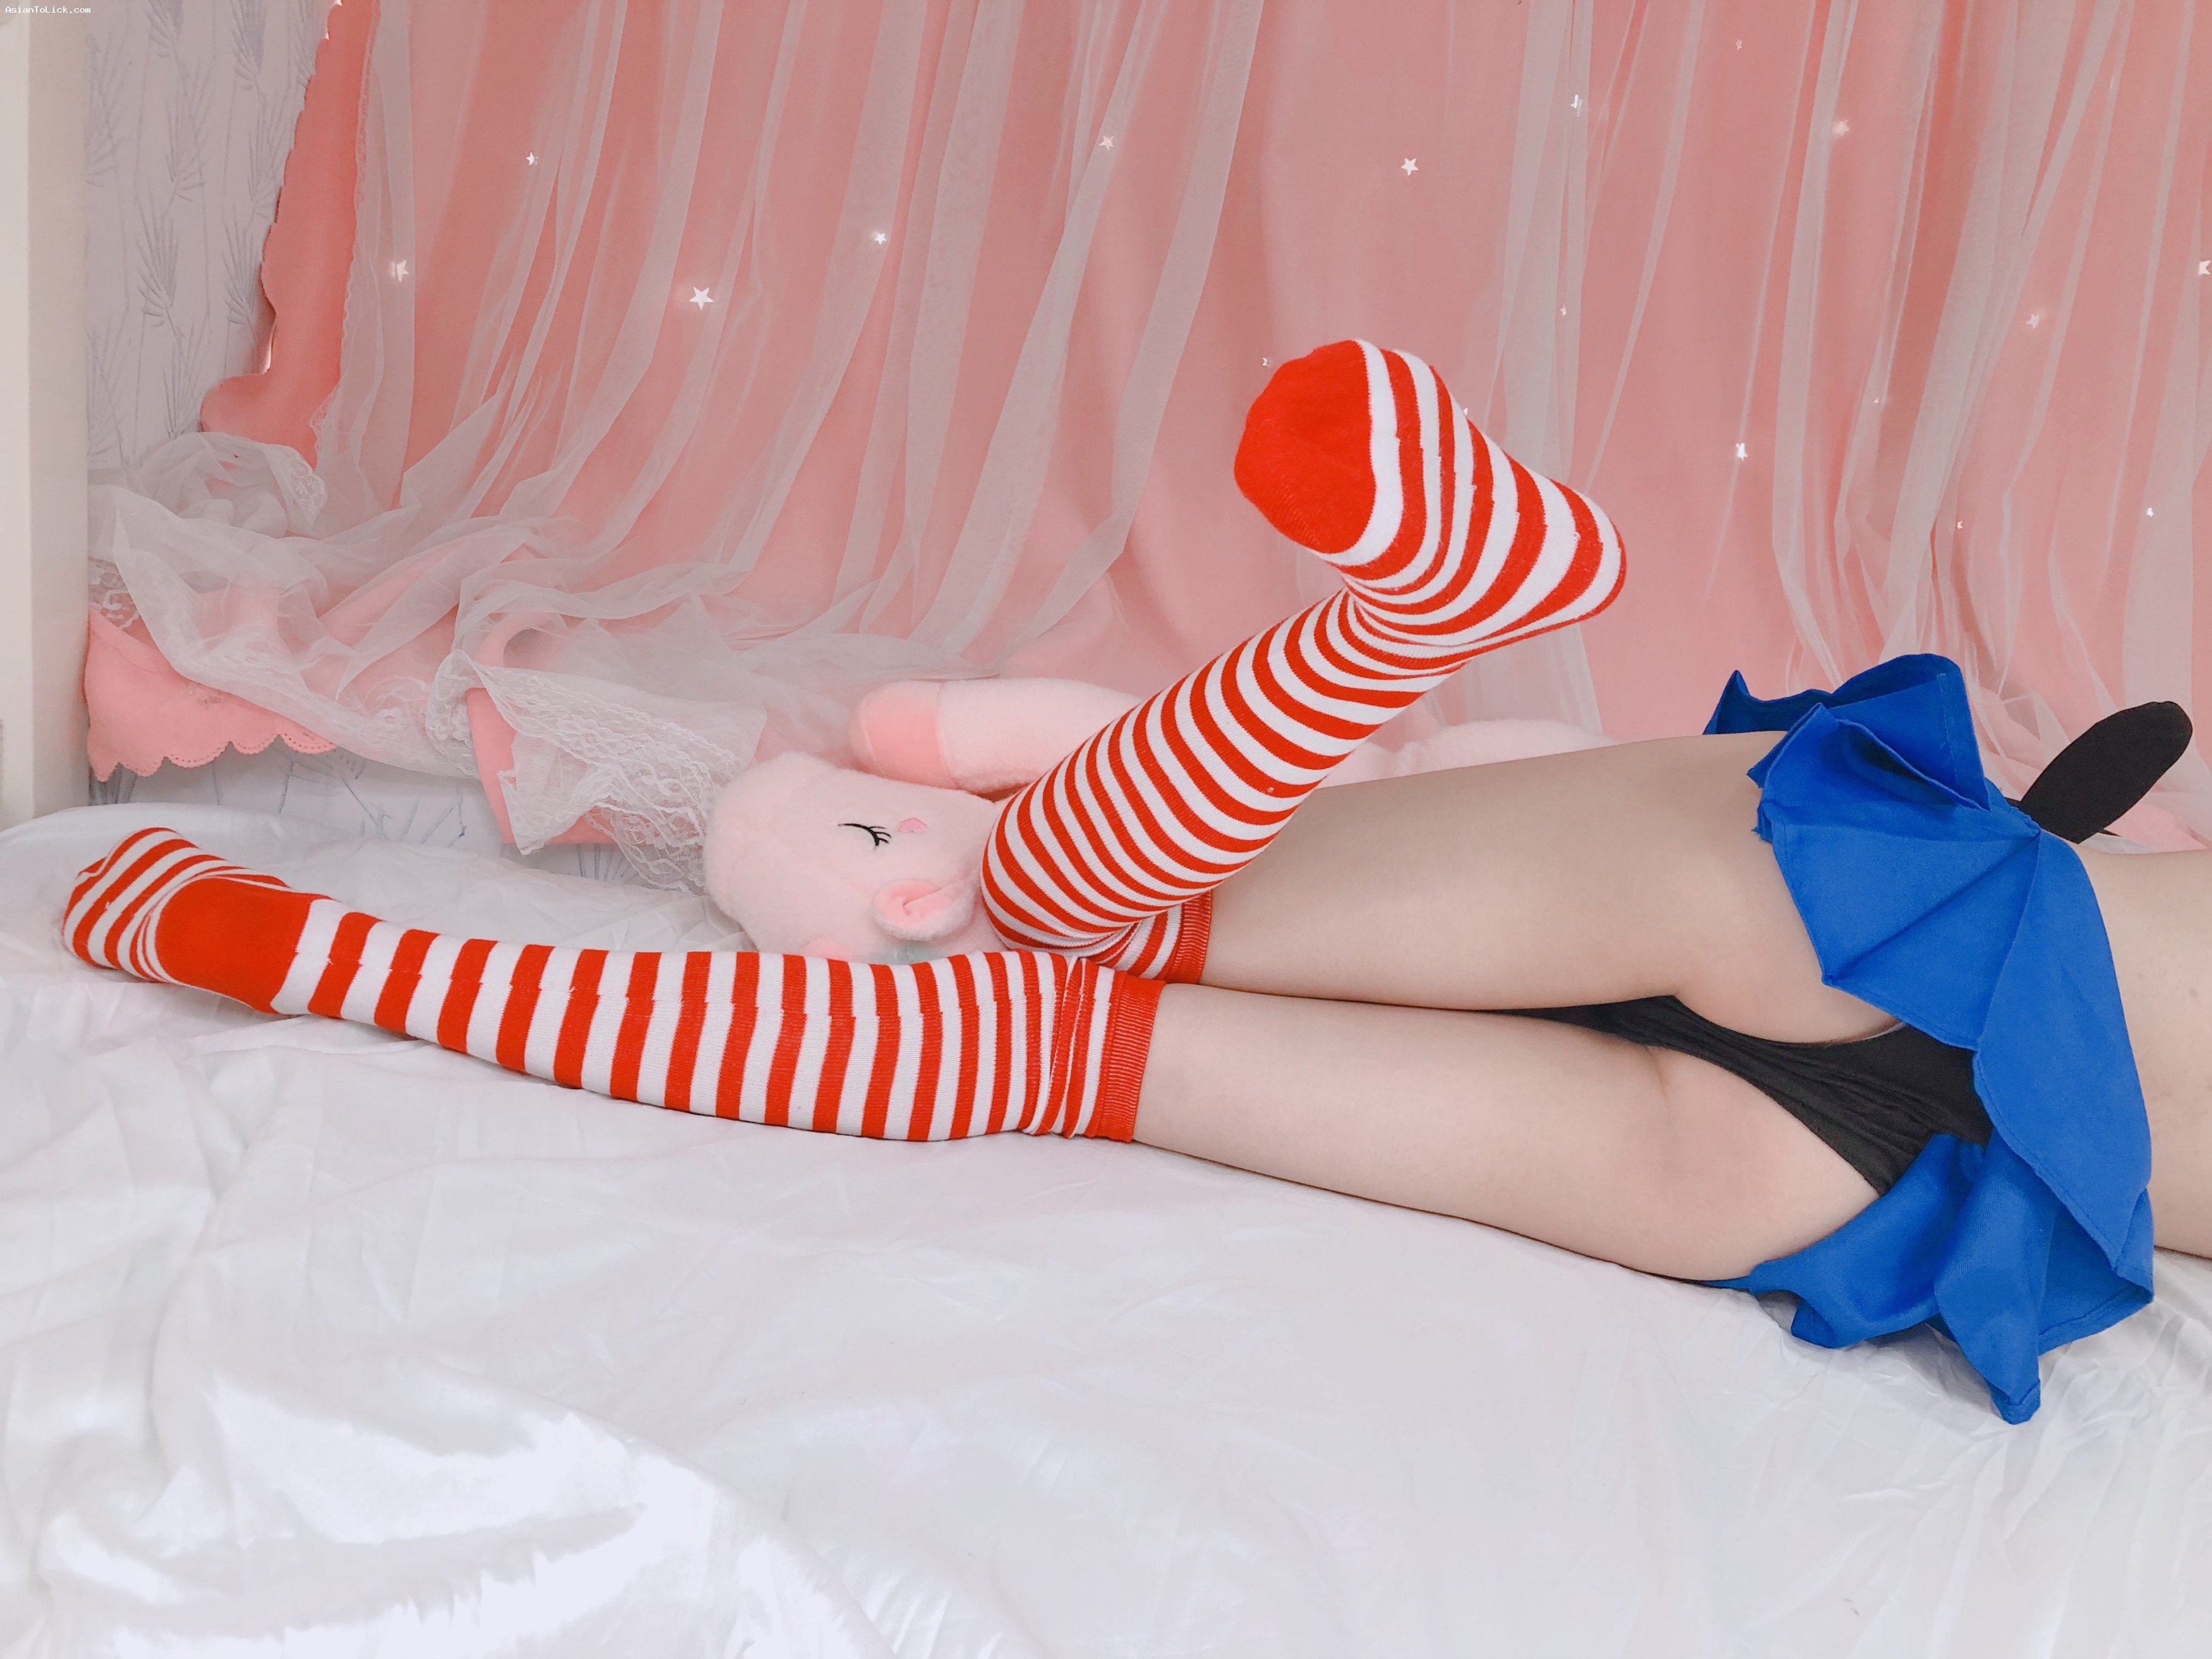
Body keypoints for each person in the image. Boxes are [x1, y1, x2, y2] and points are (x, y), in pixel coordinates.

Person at [63, 341, 2203, 1422]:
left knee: (1051, 937)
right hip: (1900, 1178)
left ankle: (1417, 612)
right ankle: (274, 941)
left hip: (1918, 942)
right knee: (1050, 1036)